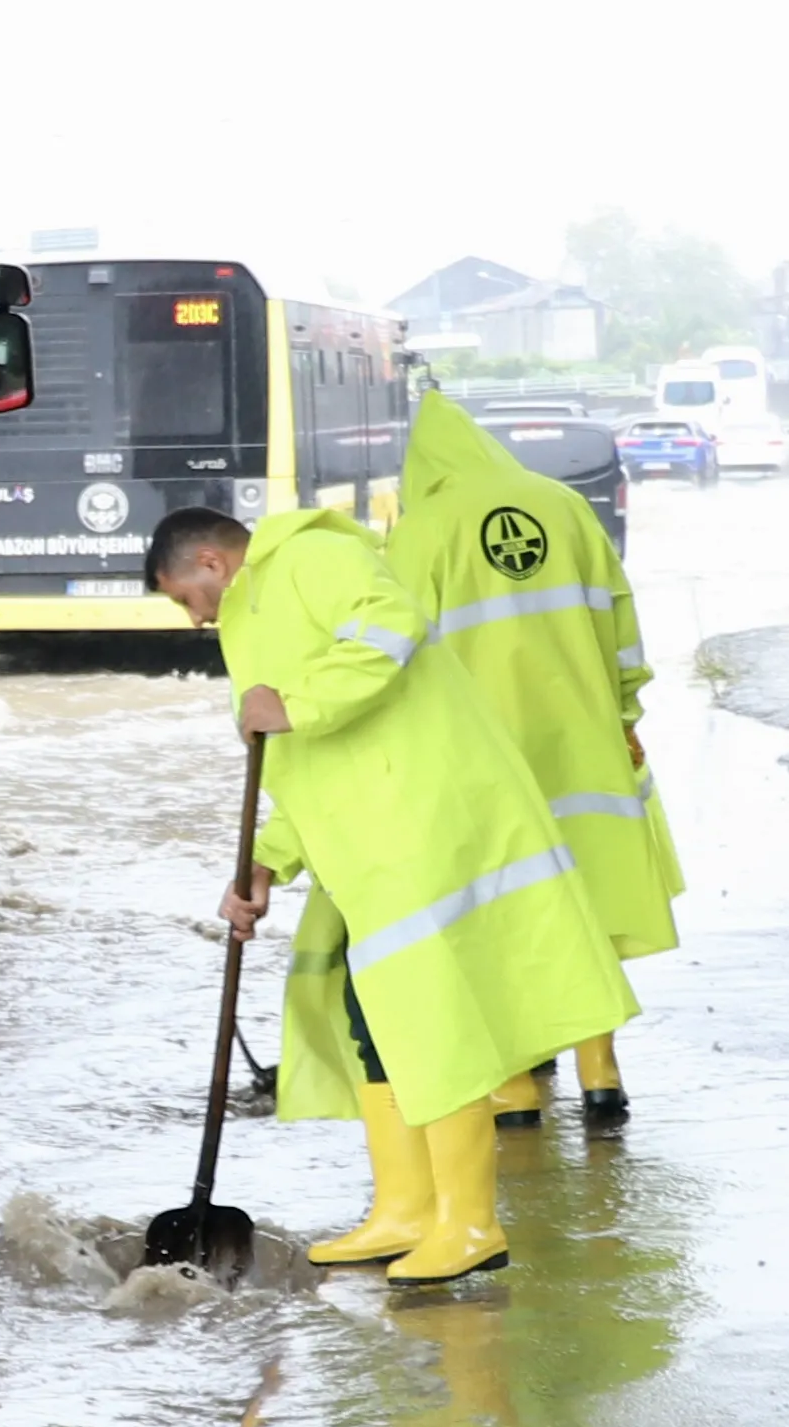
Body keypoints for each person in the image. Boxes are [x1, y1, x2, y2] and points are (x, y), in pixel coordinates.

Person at [148, 496, 640, 1294]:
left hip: (417, 833)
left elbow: (392, 624)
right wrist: (268, 861)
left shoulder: (309, 558)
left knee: (432, 1026)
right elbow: (309, 764)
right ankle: (407, 1210)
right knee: (372, 1023)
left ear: (210, 562)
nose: (194, 618)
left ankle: (471, 1225)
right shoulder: (254, 612)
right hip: (368, 847)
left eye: (185, 597)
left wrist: (297, 705)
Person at [393, 386, 672, 1130]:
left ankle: (516, 1085)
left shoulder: (423, 529)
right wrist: (623, 713)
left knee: (508, 910)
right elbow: (623, 623)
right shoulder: (564, 505)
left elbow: (396, 655)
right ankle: (601, 1073)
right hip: (583, 749)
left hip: (484, 757)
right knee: (590, 905)